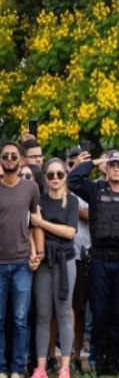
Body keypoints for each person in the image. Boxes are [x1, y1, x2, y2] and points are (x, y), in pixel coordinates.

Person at [68, 150, 119, 376]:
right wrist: (95, 161)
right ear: (106, 168)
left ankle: (114, 361)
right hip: (99, 260)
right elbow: (73, 180)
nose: (116, 169)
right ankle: (100, 362)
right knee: (99, 314)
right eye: (112, 165)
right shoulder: (94, 189)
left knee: (117, 314)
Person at [30, 159, 79, 378]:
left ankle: (64, 367)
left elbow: (70, 232)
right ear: (46, 177)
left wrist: (43, 223)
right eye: (50, 175)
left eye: (59, 174)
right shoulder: (39, 200)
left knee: (64, 315)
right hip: (43, 260)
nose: (55, 178)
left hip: (65, 260)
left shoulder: (73, 201)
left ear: (65, 175)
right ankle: (40, 367)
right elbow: (33, 228)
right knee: (42, 314)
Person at [0, 141, 41, 378]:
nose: (9, 158)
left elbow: (35, 223)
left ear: (20, 160)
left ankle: (17, 368)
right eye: (5, 155)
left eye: (13, 155)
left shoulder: (30, 188)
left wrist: (38, 251)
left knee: (19, 319)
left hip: (22, 263)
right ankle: (2, 368)